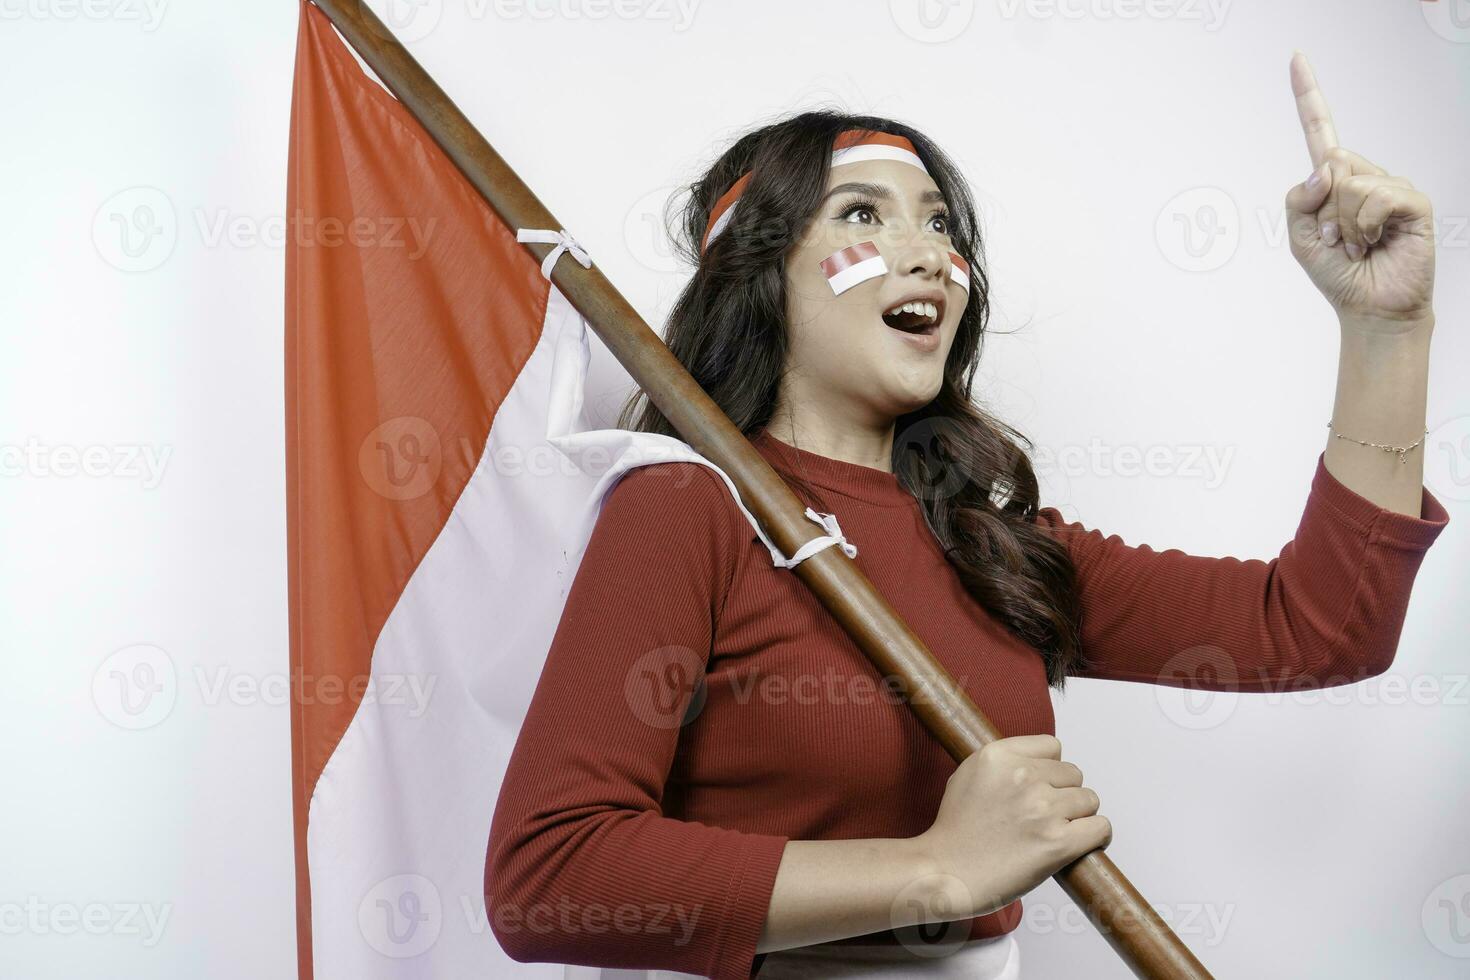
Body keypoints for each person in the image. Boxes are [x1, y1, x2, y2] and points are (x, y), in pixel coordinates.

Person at [485, 55, 1449, 980]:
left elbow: (1325, 625)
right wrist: (934, 869)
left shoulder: (991, 540)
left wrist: (1386, 331)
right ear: (759, 273)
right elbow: (548, 875)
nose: (931, 256)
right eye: (863, 214)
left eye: (942, 226)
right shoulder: (686, 507)